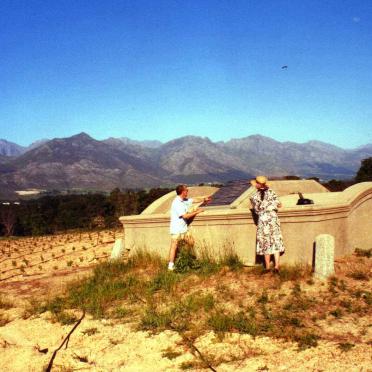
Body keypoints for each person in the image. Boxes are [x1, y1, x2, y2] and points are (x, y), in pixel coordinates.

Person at [168, 184, 211, 271]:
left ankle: (186, 259)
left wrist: (203, 199)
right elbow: (185, 216)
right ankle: (171, 266)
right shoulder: (177, 203)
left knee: (191, 243)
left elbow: (193, 200)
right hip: (177, 229)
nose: (187, 192)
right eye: (186, 190)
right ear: (183, 192)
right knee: (174, 246)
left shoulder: (184, 200)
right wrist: (197, 212)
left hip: (184, 228)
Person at [250, 176, 285, 273]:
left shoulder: (254, 197)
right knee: (275, 241)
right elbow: (280, 205)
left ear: (256, 185)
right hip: (273, 219)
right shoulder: (272, 193)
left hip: (263, 220)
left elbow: (256, 210)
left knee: (265, 242)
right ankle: (277, 266)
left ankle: (267, 267)